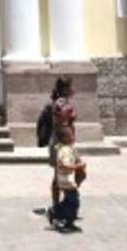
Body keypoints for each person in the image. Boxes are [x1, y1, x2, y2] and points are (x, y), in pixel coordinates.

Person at [51, 123, 85, 232]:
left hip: (66, 180)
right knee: (74, 202)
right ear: (64, 138)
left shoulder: (66, 148)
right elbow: (63, 165)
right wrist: (77, 166)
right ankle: (56, 212)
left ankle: (69, 222)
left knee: (71, 201)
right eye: (71, 135)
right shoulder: (64, 150)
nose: (73, 137)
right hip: (67, 181)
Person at [48, 77, 76, 208]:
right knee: (60, 174)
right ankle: (59, 205)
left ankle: (60, 204)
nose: (73, 89)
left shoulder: (61, 102)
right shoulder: (61, 103)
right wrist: (65, 144)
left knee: (61, 174)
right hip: (61, 142)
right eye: (70, 87)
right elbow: (61, 125)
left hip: (63, 141)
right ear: (65, 89)